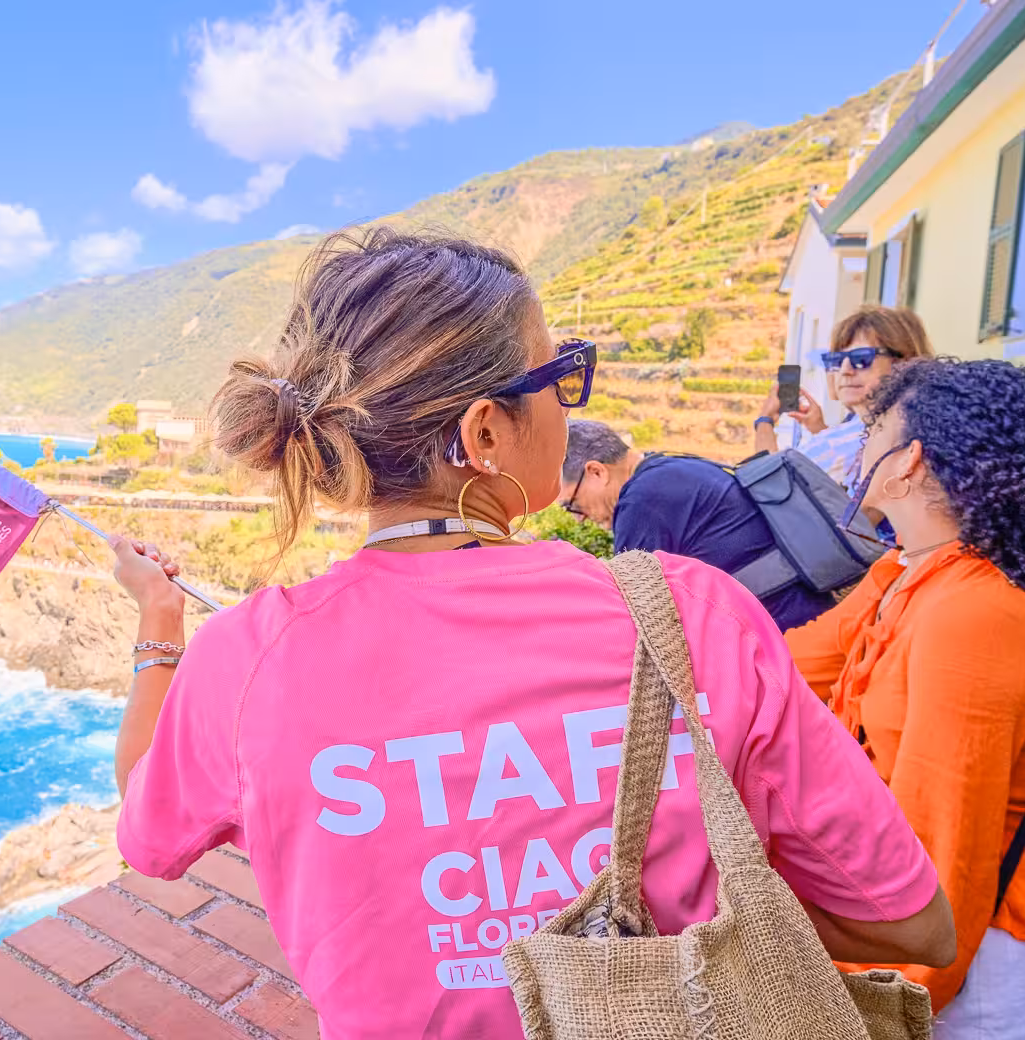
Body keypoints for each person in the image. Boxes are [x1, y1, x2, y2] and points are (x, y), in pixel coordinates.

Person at [107, 228, 953, 1040]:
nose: (568, 404)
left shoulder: (247, 661)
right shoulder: (690, 615)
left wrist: (160, 618)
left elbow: (149, 836)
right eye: (560, 377)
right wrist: (690, 906)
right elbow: (915, 926)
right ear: (484, 433)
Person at [784, 357, 1025, 1036]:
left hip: (996, 983)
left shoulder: (974, 615)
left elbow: (942, 857)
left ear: (907, 462)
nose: (857, 443)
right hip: (950, 963)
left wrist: (873, 1007)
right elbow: (781, 679)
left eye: (873, 428)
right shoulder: (910, 577)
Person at [557, 419, 836, 630]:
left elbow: (633, 614)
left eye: (573, 504)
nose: (578, 517)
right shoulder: (668, 465)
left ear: (596, 472)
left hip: (784, 635)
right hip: (807, 612)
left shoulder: (642, 500)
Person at [754, 305, 934, 489]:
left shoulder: (867, 435)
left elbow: (769, 485)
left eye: (861, 359)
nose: (845, 370)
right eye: (837, 360)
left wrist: (765, 420)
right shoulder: (913, 422)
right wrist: (819, 429)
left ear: (903, 363)